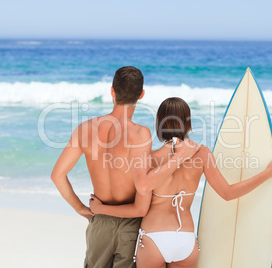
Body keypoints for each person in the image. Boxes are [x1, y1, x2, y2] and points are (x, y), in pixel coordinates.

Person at [89, 97, 272, 268]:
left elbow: (140, 209)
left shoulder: (150, 158)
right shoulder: (202, 153)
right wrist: (267, 173)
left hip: (152, 239)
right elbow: (228, 193)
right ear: (188, 123)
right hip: (186, 241)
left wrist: (101, 209)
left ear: (159, 124)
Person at [51, 68, 200, 268]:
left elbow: (57, 175)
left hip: (100, 219)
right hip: (130, 220)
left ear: (112, 91)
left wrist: (82, 209)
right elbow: (145, 184)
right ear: (141, 94)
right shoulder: (140, 134)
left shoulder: (84, 130)